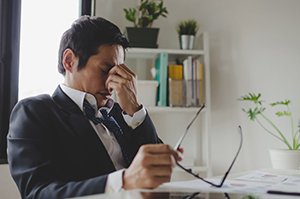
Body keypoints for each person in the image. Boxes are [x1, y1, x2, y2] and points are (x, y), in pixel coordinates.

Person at [7, 16, 182, 199]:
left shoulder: (123, 113)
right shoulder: (34, 113)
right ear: (69, 61)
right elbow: (37, 194)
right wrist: (123, 181)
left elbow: (156, 177)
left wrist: (135, 110)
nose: (112, 84)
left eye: (118, 73)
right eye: (105, 70)